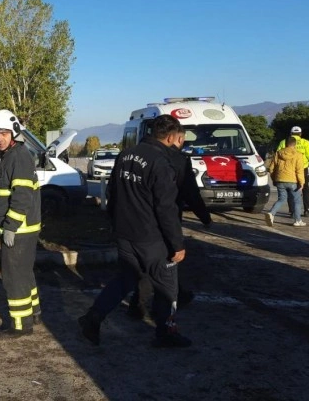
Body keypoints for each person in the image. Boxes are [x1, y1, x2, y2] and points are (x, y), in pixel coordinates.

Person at [78, 114, 191, 348]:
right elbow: (166, 207)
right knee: (167, 286)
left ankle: (93, 317)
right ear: (171, 137)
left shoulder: (126, 154)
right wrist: (177, 243)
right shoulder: (161, 162)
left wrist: (115, 223)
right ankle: (166, 332)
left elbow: (111, 193)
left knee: (126, 278)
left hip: (125, 233)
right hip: (152, 237)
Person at [127, 128, 211, 319]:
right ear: (177, 138)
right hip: (165, 220)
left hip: (139, 220)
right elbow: (190, 193)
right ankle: (153, 309)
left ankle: (157, 300)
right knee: (164, 265)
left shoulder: (137, 155)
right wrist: (205, 217)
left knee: (154, 264)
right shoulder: (177, 160)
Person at [0, 109, 42, 340]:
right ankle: (33, 313)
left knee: (14, 276)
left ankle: (20, 325)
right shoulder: (13, 155)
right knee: (24, 272)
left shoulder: (17, 157)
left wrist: (10, 226)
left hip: (19, 230)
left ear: (14, 133)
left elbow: (22, 197)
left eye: (3, 133)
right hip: (22, 228)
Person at [266, 136, 306, 227]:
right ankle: (298, 220)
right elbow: (299, 170)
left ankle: (271, 213)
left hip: (280, 180)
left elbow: (271, 168)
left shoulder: (278, 153)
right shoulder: (298, 154)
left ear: (285, 144)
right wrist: (302, 182)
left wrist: (274, 179)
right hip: (293, 181)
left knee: (281, 199)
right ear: (295, 144)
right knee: (297, 200)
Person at [276, 126, 309, 217]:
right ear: (300, 134)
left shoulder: (284, 142)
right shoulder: (305, 142)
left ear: (291, 133)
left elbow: (278, 155)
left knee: (291, 190)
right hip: (303, 168)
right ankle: (307, 210)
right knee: (305, 188)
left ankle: (293, 211)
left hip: (289, 169)